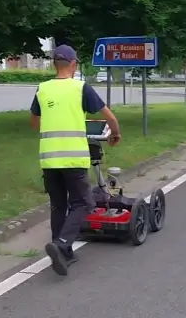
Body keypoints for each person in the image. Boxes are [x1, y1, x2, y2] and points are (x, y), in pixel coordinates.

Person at [29, 44, 121, 276]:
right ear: (73, 64)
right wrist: (116, 133)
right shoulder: (81, 88)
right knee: (84, 203)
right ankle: (61, 242)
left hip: (49, 159)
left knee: (58, 204)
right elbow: (109, 117)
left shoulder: (43, 88)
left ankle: (64, 252)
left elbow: (34, 123)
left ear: (54, 64)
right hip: (74, 158)